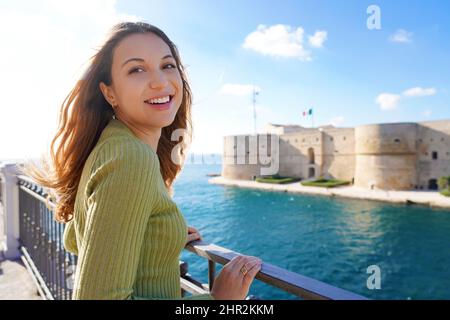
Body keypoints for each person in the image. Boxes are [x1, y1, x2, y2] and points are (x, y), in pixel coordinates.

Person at [21, 21, 262, 300]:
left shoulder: (111, 143)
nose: (160, 81)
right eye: (136, 69)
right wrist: (217, 300)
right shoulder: (130, 158)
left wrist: (157, 237)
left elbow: (77, 237)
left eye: (168, 65)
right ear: (109, 92)